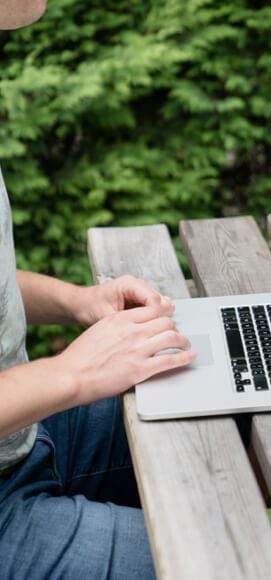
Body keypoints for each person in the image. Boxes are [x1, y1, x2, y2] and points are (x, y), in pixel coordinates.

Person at [0, 3, 196, 577]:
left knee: (232, 399)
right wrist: (74, 374)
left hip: (25, 435)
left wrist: (75, 302)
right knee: (220, 558)